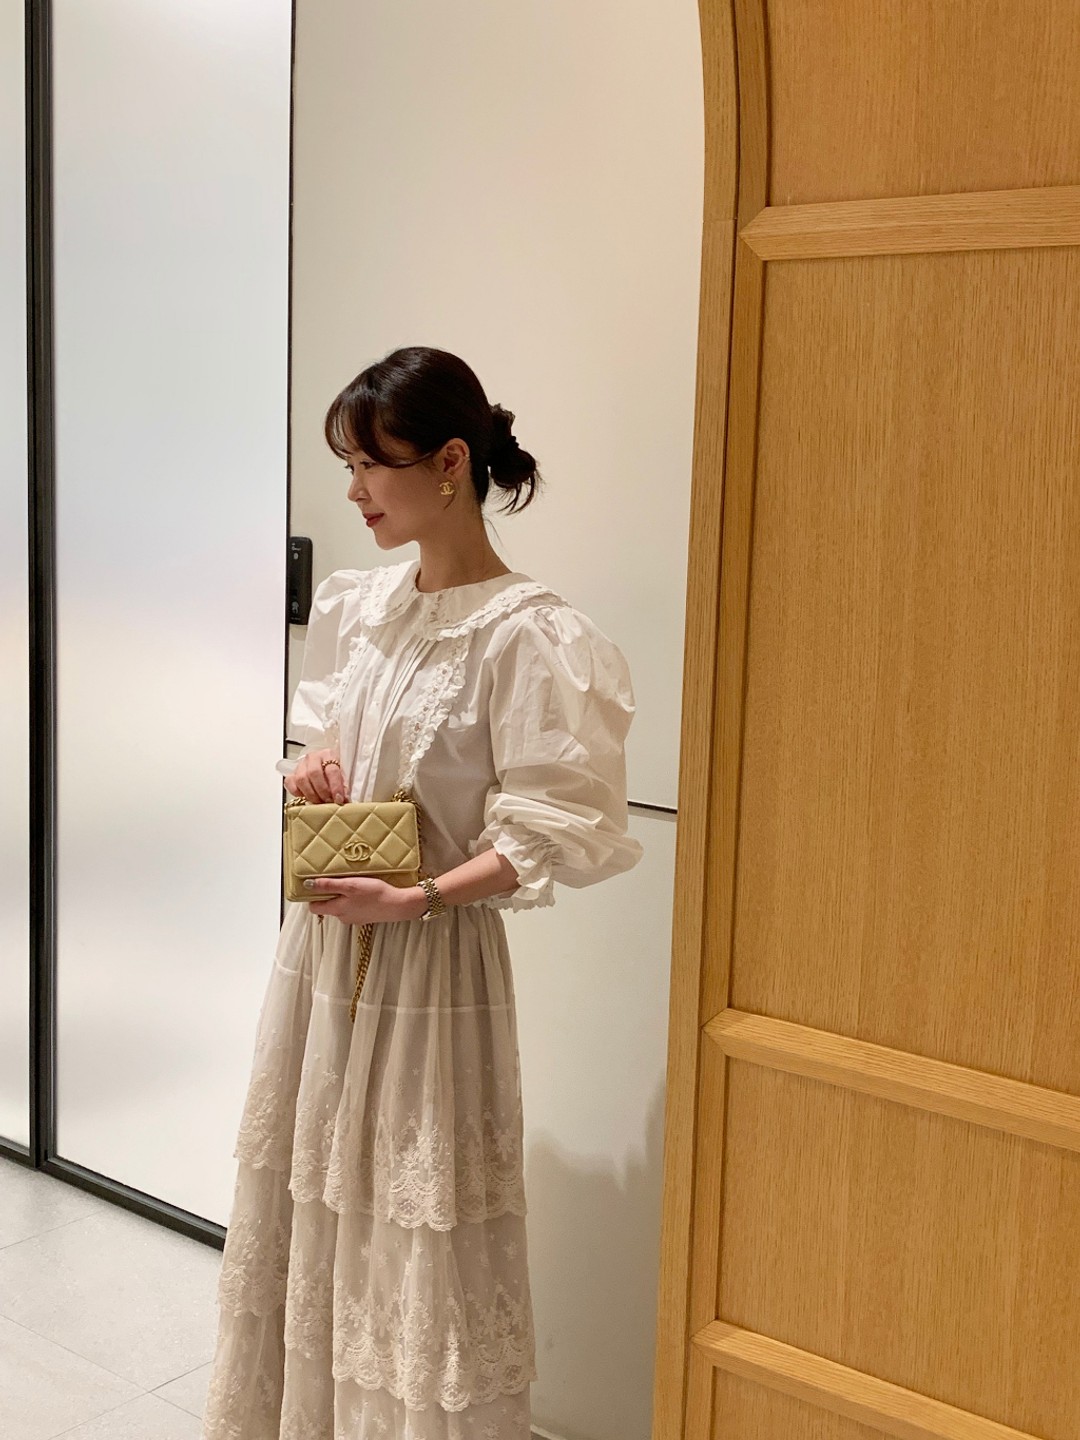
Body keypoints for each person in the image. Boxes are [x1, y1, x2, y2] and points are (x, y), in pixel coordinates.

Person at [201, 345, 644, 1439]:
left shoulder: (530, 634)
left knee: (413, 1222)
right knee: (312, 1195)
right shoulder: (363, 607)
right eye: (348, 466)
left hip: (433, 962)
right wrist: (313, 769)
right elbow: (329, 739)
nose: (354, 491)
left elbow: (553, 830)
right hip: (323, 952)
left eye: (371, 465)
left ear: (450, 463)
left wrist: (421, 899)